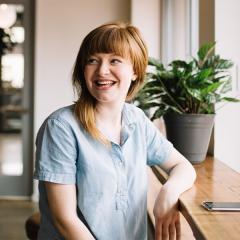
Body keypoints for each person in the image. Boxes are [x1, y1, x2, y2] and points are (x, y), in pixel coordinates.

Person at [34, 22, 196, 240]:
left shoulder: (137, 120)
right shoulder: (61, 127)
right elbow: (65, 220)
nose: (102, 70)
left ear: (135, 71)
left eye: (114, 60)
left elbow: (182, 166)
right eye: (92, 60)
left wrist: (168, 192)